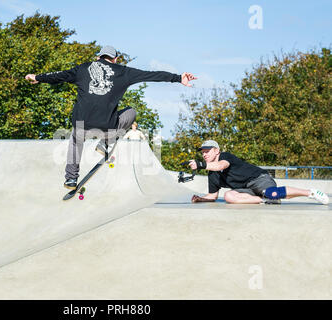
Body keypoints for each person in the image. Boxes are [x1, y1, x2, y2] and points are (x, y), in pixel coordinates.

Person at [25, 45, 197, 189]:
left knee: (76, 139)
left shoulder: (82, 68)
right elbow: (150, 75)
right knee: (131, 112)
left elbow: (59, 75)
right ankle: (106, 143)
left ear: (98, 57)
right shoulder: (124, 71)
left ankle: (71, 178)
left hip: (82, 124)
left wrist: (38, 77)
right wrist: (177, 78)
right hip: (107, 126)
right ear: (115, 59)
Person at [189, 140, 329, 205]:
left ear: (217, 151)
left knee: (271, 193)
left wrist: (200, 165)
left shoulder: (225, 156)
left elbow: (221, 165)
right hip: (246, 190)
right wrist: (200, 199)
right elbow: (213, 196)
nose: (205, 155)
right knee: (229, 196)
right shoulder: (212, 174)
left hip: (259, 179)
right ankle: (263, 200)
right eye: (203, 153)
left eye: (208, 151)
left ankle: (311, 193)